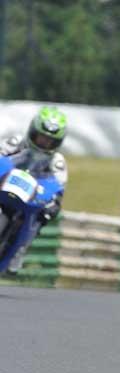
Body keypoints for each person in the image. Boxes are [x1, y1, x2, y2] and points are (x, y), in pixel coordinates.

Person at [0, 106, 68, 274]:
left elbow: (59, 187)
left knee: (40, 217)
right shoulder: (15, 142)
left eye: (50, 141)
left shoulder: (57, 161)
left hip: (31, 196)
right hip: (5, 184)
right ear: (32, 131)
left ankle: (20, 250)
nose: (44, 142)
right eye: (41, 137)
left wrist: (53, 204)